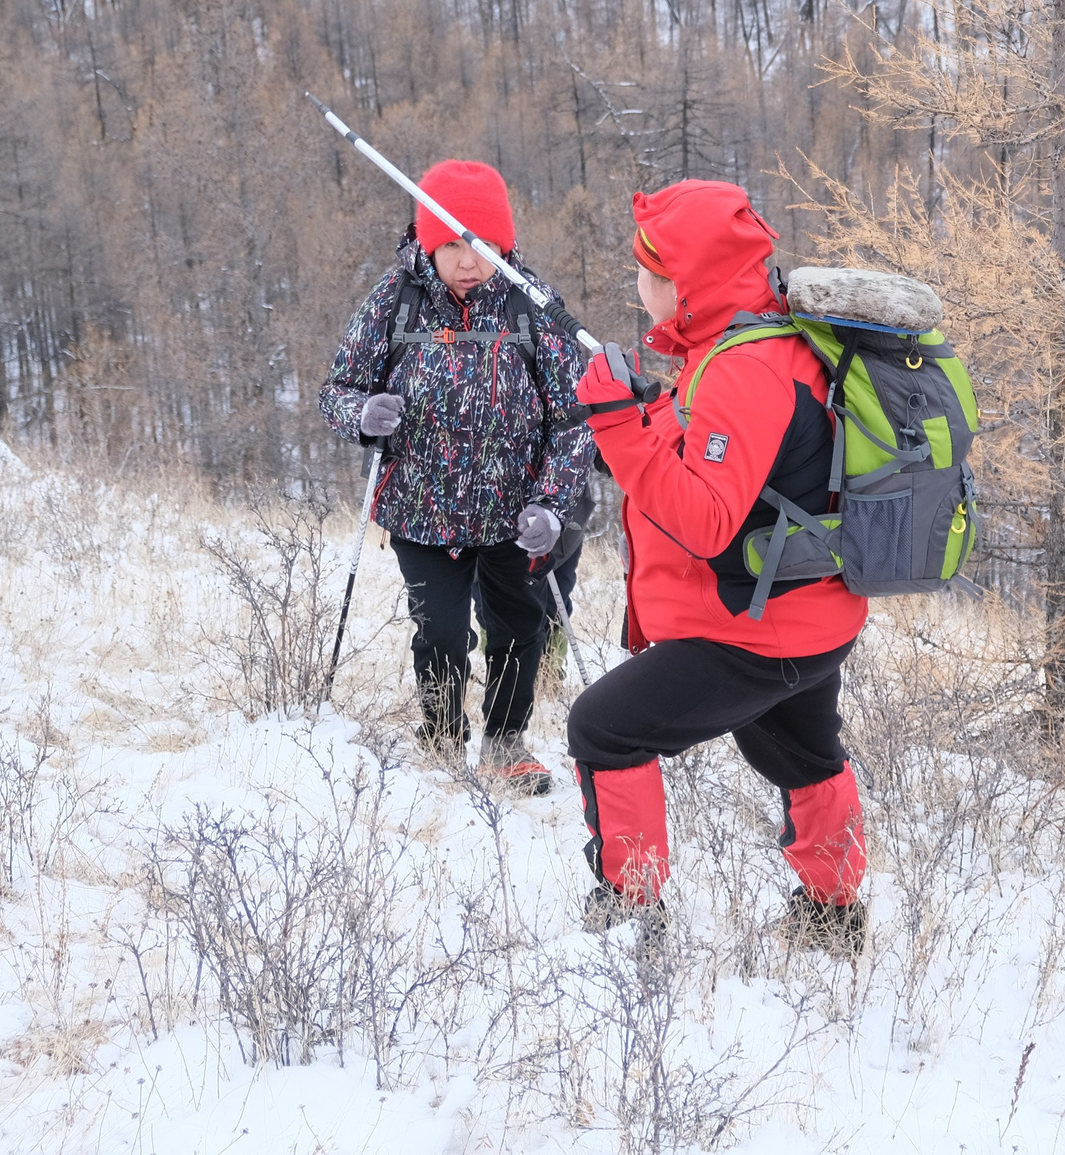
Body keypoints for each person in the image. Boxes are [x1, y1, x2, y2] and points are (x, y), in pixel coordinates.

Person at [565, 181, 871, 955]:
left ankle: (630, 912)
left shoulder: (742, 367)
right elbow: (739, 464)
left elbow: (705, 519)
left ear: (684, 280)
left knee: (602, 728)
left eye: (645, 267)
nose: (636, 281)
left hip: (754, 628)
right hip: (809, 612)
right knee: (799, 753)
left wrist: (614, 426)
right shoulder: (758, 340)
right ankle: (832, 916)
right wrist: (640, 420)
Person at [319, 160, 592, 795]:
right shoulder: (395, 298)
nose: (470, 260)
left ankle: (505, 744)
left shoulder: (533, 303)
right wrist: (362, 413)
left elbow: (574, 418)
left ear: (505, 244)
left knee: (519, 627)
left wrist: (551, 505)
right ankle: (442, 740)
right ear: (426, 242)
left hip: (514, 514)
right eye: (452, 245)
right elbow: (337, 388)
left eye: (485, 246)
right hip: (421, 509)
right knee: (439, 629)